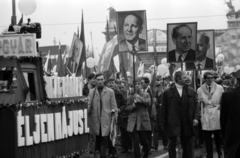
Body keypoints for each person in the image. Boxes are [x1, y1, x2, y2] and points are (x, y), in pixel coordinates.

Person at [160, 71, 199, 158]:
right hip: (172, 123)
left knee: (187, 146)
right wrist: (162, 123)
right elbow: (163, 109)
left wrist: (196, 118)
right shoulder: (167, 92)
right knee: (172, 145)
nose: (187, 79)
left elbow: (196, 105)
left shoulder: (191, 91)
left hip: (187, 123)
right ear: (178, 79)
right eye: (184, 77)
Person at [88, 73, 117, 158]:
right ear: (95, 81)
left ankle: (102, 156)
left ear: (104, 80)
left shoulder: (110, 92)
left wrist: (113, 111)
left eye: (101, 79)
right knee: (97, 141)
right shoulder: (91, 92)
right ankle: (97, 154)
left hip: (106, 121)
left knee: (104, 141)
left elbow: (114, 106)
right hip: (95, 121)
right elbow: (89, 107)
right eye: (98, 80)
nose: (100, 81)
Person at [197, 71, 224, 158]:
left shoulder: (219, 88)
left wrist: (221, 108)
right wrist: (199, 101)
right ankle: (209, 155)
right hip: (206, 113)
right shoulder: (200, 89)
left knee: (218, 136)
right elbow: (198, 103)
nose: (210, 80)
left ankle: (220, 153)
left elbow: (223, 100)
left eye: (211, 78)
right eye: (208, 78)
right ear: (204, 79)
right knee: (207, 137)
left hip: (216, 112)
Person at [126, 77, 151, 158]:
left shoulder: (146, 94)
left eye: (139, 84)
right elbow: (127, 108)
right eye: (135, 84)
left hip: (142, 121)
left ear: (141, 85)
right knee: (136, 141)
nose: (137, 86)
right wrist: (134, 105)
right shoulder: (130, 96)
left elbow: (148, 103)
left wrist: (140, 98)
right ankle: (137, 156)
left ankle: (146, 152)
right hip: (134, 122)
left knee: (144, 140)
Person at [220, 70, 240, 158]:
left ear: (236, 80)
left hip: (233, 133)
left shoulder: (227, 95)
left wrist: (225, 135)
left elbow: (223, 119)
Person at [106, 77, 126, 158]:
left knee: (114, 134)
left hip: (116, 116)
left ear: (115, 84)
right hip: (107, 116)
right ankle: (110, 150)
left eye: (113, 82)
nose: (111, 84)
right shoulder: (105, 93)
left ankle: (114, 151)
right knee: (107, 134)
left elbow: (124, 104)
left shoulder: (119, 93)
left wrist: (119, 109)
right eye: (109, 82)